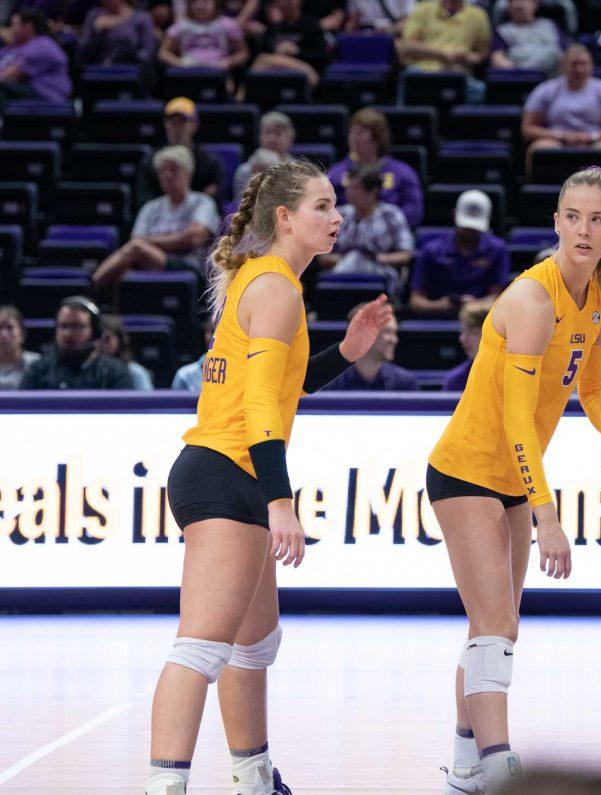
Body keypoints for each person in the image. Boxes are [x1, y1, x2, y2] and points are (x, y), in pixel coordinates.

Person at [147, 159, 391, 795]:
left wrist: (350, 351)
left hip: (229, 471)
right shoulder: (276, 288)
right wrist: (280, 500)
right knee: (200, 648)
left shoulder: (268, 281)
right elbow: (259, 408)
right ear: (284, 217)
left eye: (336, 205)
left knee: (254, 644)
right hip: (229, 471)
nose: (336, 217)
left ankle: (254, 777)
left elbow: (287, 384)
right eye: (322, 206)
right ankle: (163, 787)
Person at [426, 167, 601, 793]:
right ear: (555, 221)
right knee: (496, 626)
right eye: (572, 216)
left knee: (495, 626)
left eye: (596, 219)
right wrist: (547, 515)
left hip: (511, 482)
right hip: (465, 471)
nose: (583, 229)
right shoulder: (530, 300)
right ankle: (500, 768)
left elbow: (593, 385)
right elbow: (517, 420)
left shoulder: (600, 300)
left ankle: (466, 764)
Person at [94, 145, 222, 289]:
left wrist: (149, 241)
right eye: (162, 171)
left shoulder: (202, 202)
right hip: (150, 262)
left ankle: (91, 287)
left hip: (190, 265)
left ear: (188, 173)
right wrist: (171, 239)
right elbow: (137, 240)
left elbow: (193, 239)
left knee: (135, 250)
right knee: (126, 267)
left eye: (173, 169)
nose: (167, 175)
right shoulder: (151, 207)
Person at [521, 44, 601, 174]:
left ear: (591, 66)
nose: (579, 69)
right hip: (555, 139)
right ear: (563, 66)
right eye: (574, 64)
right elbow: (528, 128)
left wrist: (592, 137)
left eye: (584, 64)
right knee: (540, 149)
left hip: (594, 139)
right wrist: (560, 136)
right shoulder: (545, 90)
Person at [318, 163, 415, 300]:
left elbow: (406, 254)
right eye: (348, 187)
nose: (348, 192)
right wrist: (351, 259)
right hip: (341, 274)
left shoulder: (392, 215)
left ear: (373, 191)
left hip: (379, 274)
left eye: (355, 188)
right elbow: (322, 256)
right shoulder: (338, 215)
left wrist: (375, 259)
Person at [409, 189, 508, 315]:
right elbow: (416, 300)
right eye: (466, 227)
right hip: (439, 317)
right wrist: (438, 305)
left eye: (475, 228)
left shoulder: (497, 249)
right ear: (454, 215)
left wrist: (476, 305)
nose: (470, 232)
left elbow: (497, 297)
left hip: (480, 319)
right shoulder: (431, 251)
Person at [327, 107, 424, 226]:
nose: (353, 138)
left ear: (377, 138)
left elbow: (414, 211)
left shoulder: (403, 173)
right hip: (345, 235)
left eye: (360, 133)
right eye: (351, 132)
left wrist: (382, 226)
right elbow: (325, 207)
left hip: (389, 236)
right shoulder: (336, 173)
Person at [19, 297, 135, 390]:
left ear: (95, 331)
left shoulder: (114, 372)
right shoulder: (38, 370)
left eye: (77, 326)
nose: (68, 333)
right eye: (63, 326)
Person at [395, 0, 491, 103]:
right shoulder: (423, 9)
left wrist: (467, 57)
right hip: (422, 71)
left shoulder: (478, 15)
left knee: (480, 89)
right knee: (409, 78)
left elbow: (482, 55)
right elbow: (405, 46)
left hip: (460, 75)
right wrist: (443, 54)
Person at [137, 98, 226, 201]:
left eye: (182, 122)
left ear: (195, 124)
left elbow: (215, 201)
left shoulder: (210, 163)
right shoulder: (151, 162)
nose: (177, 128)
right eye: (172, 122)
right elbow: (145, 200)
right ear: (165, 124)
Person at [325, 303, 419, 390]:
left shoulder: (405, 383)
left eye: (394, 332)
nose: (394, 340)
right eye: (387, 332)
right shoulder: (329, 384)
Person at [249, 0, 329, 87]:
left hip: (305, 73)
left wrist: (297, 51)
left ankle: (240, 98)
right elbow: (262, 52)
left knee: (262, 60)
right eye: (281, 1)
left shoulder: (311, 25)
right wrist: (278, 50)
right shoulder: (274, 28)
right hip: (276, 71)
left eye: (289, 1)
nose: (284, 4)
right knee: (261, 62)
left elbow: (321, 55)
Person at [0, 8, 70, 106]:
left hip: (47, 96)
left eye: (14, 25)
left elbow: (9, 75)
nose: (10, 30)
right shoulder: (11, 48)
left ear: (28, 26)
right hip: (25, 93)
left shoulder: (43, 44)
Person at [159, 0, 249, 71]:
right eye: (195, 2)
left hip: (218, 69)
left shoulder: (228, 25)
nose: (200, 6)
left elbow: (243, 53)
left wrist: (228, 62)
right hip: (188, 69)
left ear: (215, 3)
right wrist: (179, 63)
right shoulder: (179, 27)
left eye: (205, 1)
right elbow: (163, 53)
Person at [78, 0, 158, 69]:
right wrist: (97, 31)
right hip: (99, 68)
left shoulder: (141, 17)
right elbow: (82, 50)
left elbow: (148, 51)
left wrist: (129, 59)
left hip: (131, 69)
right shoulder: (94, 15)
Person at [490, 0, 562, 75]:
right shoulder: (503, 31)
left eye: (522, 1)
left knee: (553, 51)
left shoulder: (549, 25)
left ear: (534, 4)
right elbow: (497, 59)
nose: (516, 5)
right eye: (511, 1)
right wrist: (519, 72)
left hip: (551, 76)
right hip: (520, 76)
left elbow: (565, 53)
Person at [233, 111, 295, 198]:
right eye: (268, 132)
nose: (271, 138)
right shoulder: (245, 171)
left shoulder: (298, 171)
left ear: (290, 138)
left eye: (278, 133)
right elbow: (241, 205)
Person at [442, 299, 490, 391]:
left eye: (473, 332)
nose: (463, 339)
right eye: (463, 331)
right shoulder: (455, 380)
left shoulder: (517, 376)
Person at [99, 314, 155, 389]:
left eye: (107, 338)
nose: (101, 343)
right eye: (98, 337)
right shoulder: (87, 371)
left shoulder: (136, 373)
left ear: (119, 339)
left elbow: (148, 400)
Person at [0, 305, 40, 390]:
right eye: (0, 328)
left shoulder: (38, 364)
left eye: (10, 328)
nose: (4, 335)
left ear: (22, 333)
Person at [172, 318, 216, 391]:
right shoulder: (184, 375)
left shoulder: (239, 372)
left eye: (222, 334)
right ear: (204, 334)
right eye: (212, 332)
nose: (216, 337)